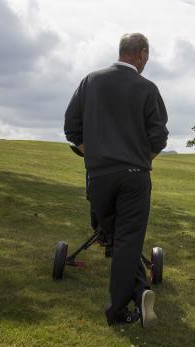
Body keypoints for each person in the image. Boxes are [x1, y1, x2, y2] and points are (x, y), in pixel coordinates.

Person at [64, 33, 169, 326]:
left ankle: (135, 297)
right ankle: (121, 308)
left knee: (112, 235)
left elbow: (72, 128)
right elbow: (159, 137)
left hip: (99, 175)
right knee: (128, 241)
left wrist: (94, 155)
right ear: (142, 54)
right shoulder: (147, 88)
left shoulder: (91, 81)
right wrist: (140, 160)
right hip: (135, 176)